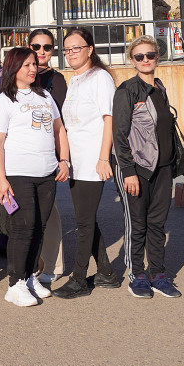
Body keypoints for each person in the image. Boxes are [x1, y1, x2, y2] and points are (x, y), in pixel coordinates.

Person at [0, 47, 70, 308]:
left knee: (40, 228)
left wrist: (64, 160)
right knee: (23, 229)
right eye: (26, 65)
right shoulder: (3, 101)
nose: (33, 69)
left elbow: (59, 130)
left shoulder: (45, 95)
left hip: (46, 172)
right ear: (13, 68)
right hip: (18, 174)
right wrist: (1, 179)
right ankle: (15, 284)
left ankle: (29, 275)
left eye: (34, 64)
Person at [113, 36, 184, 300]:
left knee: (157, 223)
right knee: (137, 224)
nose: (146, 60)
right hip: (138, 169)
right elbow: (119, 136)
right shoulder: (127, 91)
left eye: (150, 55)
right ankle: (138, 275)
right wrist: (129, 171)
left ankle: (158, 274)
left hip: (163, 168)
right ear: (132, 61)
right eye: (139, 56)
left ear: (157, 57)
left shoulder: (159, 87)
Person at [54, 28, 119, 299]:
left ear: (90, 49)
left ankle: (79, 279)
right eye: (67, 50)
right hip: (76, 162)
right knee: (86, 219)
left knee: (83, 223)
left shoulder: (100, 78)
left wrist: (104, 158)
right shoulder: (76, 79)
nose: (70, 54)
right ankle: (106, 272)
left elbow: (109, 119)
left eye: (76, 48)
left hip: (93, 161)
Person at [28, 28, 67, 283]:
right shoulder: (20, 76)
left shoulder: (58, 80)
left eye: (47, 47)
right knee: (27, 213)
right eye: (36, 47)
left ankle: (52, 266)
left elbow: (60, 125)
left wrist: (62, 159)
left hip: (47, 155)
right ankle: (31, 263)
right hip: (22, 155)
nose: (41, 52)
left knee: (48, 212)